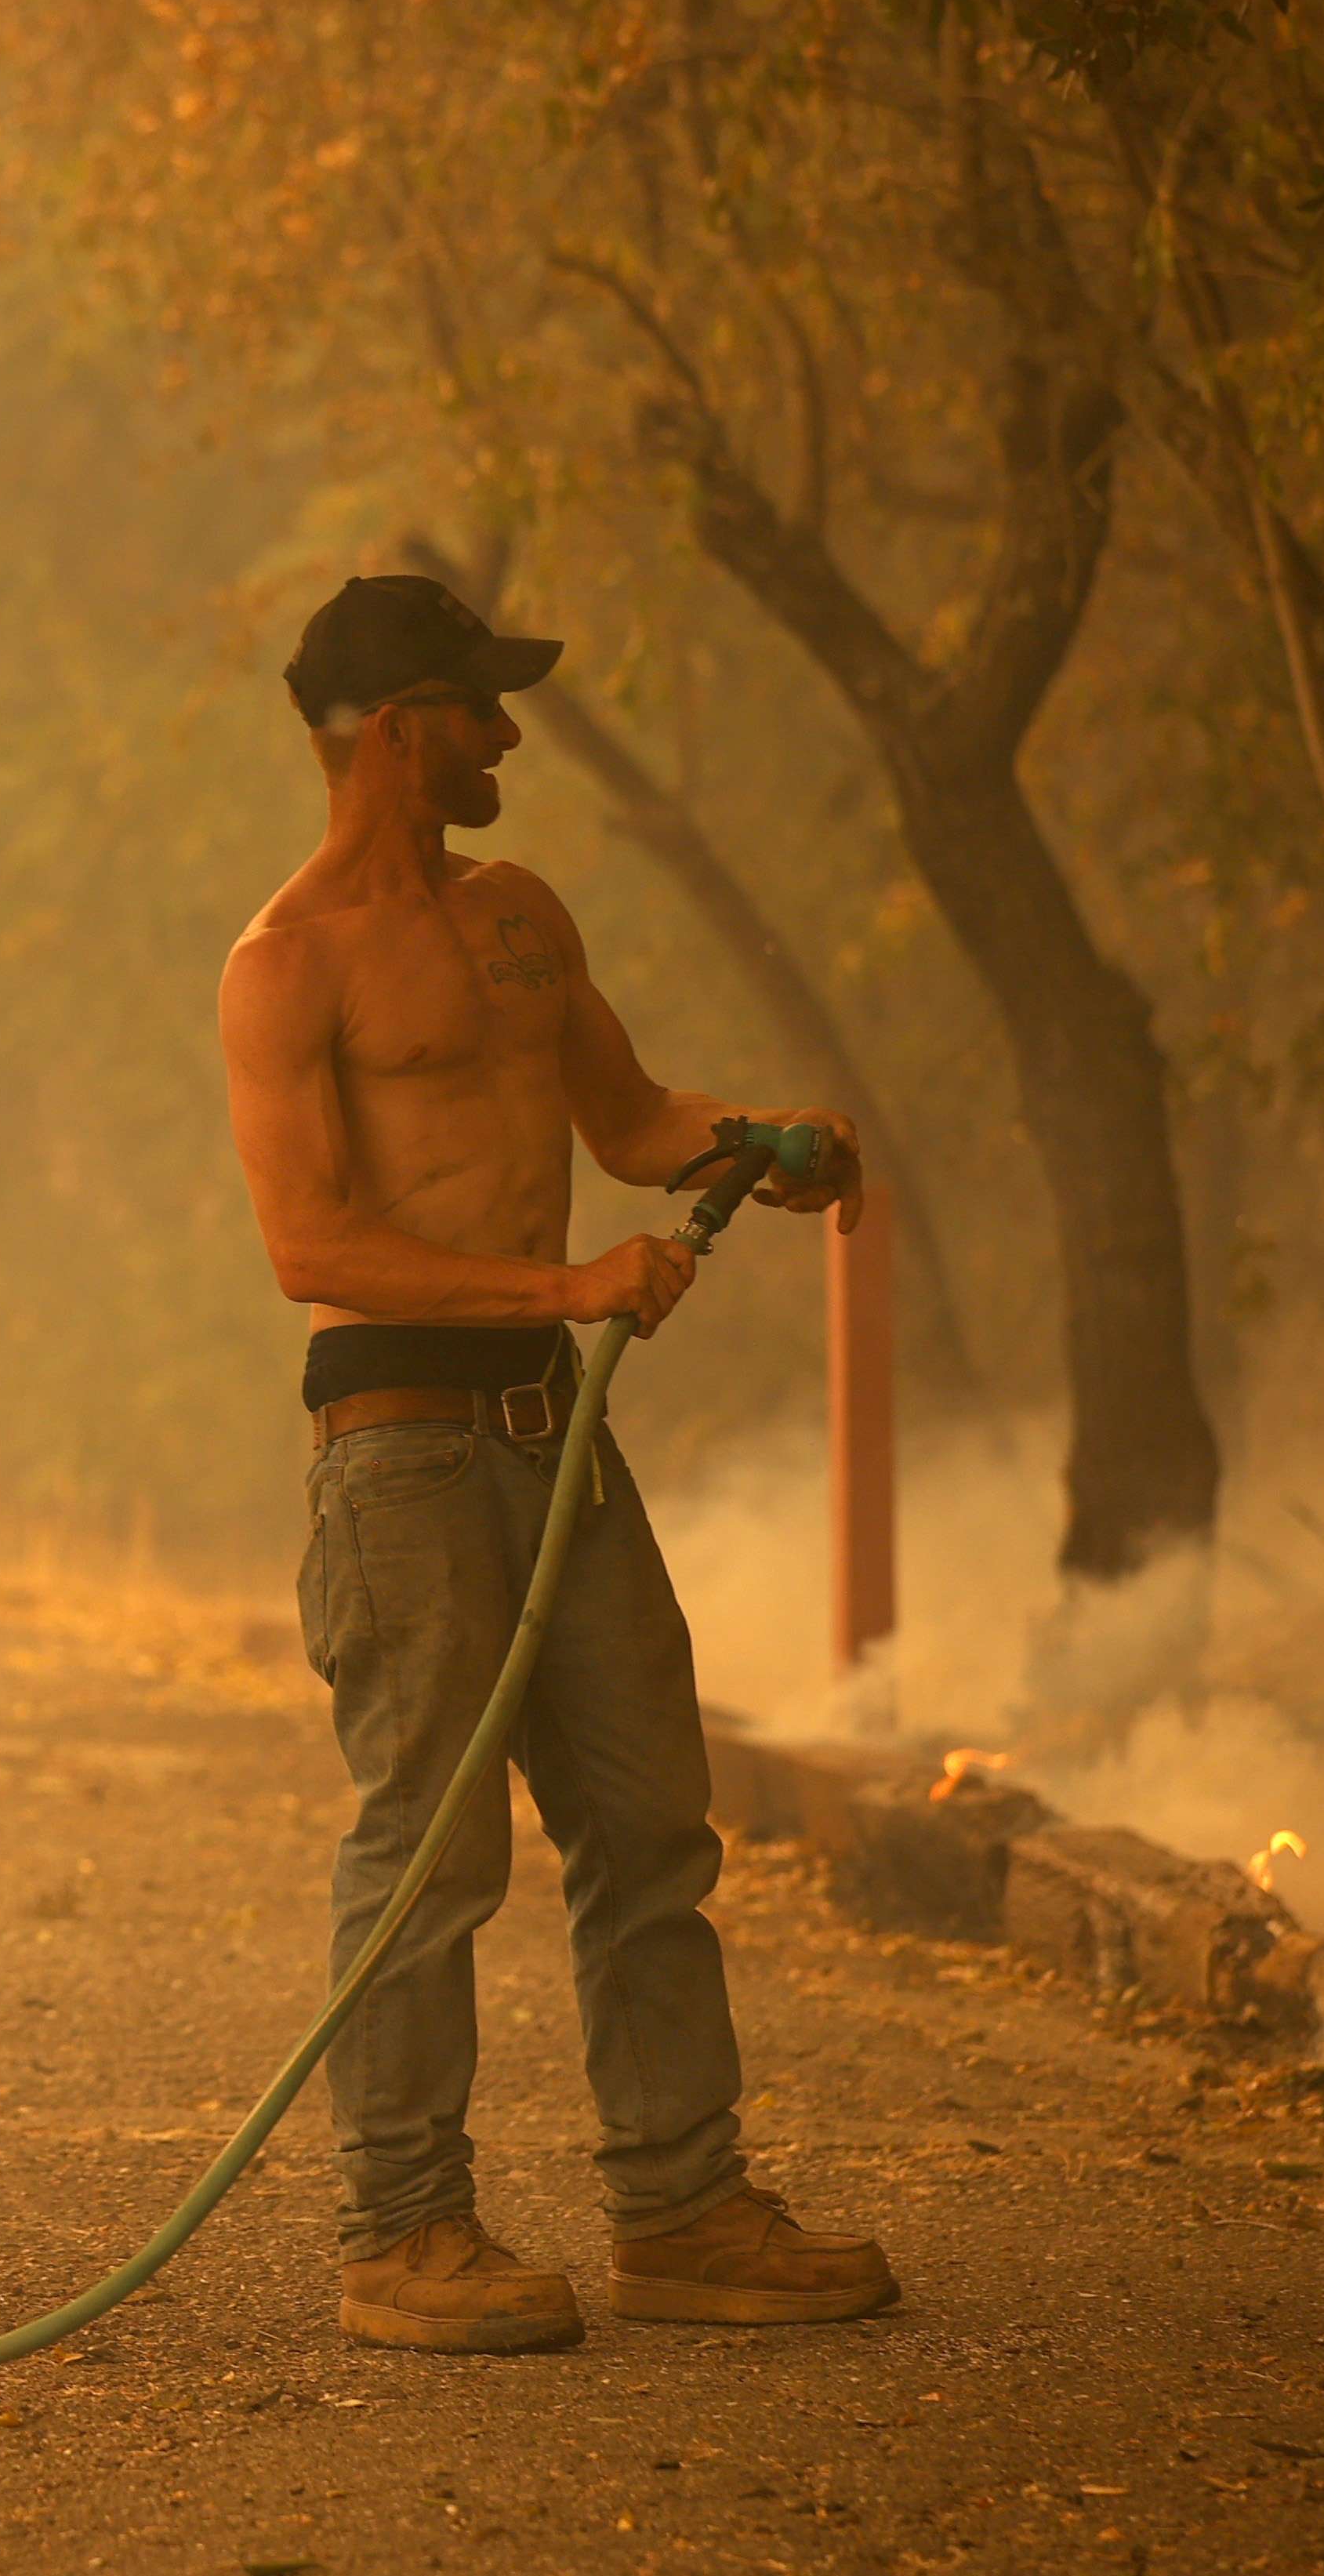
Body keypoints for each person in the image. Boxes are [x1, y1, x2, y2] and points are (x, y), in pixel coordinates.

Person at [218, 572, 897, 2353]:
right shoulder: (281, 964)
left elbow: (626, 1119)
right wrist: (566, 1282)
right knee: (430, 1852)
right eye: (476, 706)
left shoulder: (517, 913)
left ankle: (679, 2209)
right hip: (401, 1456)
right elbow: (311, 1245)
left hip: (550, 1427)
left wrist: (758, 1136)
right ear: (391, 729)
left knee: (648, 1819)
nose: (507, 735)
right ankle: (399, 2233)